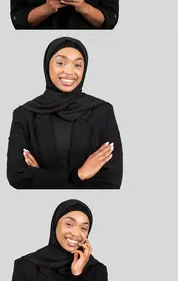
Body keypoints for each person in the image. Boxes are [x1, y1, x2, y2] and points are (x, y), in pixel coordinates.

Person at [7, 37, 123, 189]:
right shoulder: (24, 115)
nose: (69, 71)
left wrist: (40, 176)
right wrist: (79, 175)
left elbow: (111, 181)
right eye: (60, 63)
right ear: (47, 65)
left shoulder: (102, 111)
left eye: (77, 65)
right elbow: (17, 177)